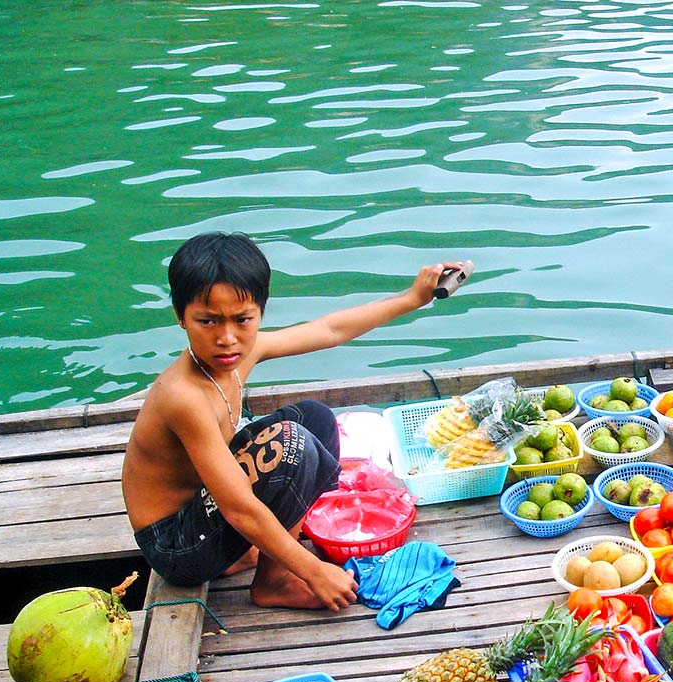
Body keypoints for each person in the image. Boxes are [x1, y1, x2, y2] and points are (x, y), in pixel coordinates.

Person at [122, 231, 461, 611]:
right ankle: (274, 582)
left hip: (205, 512)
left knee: (314, 418)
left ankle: (251, 554)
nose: (227, 338)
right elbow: (237, 509)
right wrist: (314, 571)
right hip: (177, 546)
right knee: (291, 445)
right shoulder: (184, 395)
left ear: (259, 313)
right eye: (208, 321)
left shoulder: (238, 353)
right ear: (180, 316)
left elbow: (330, 330)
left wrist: (412, 299)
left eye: (242, 320)